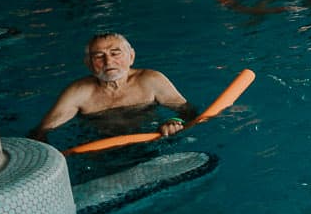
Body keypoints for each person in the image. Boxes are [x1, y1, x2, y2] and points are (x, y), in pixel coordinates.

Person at [30, 32, 195, 142]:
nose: (108, 62)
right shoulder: (79, 92)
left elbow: (189, 112)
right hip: (99, 149)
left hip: (150, 140)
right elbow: (41, 132)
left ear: (131, 56)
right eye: (99, 56)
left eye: (115, 53)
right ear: (88, 63)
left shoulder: (151, 81)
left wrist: (175, 121)